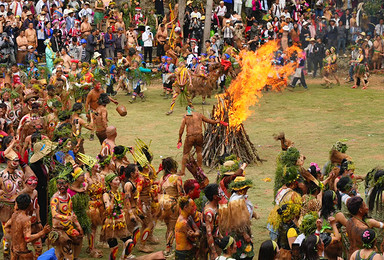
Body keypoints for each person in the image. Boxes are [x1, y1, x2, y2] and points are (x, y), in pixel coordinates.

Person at [4, 194, 51, 260]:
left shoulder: (14, 215)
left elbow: (6, 226)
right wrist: (43, 232)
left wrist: (16, 235)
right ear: (29, 205)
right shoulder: (26, 219)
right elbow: (28, 238)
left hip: (14, 252)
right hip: (23, 254)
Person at [102, 173, 137, 260]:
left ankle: (123, 258)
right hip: (111, 224)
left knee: (130, 243)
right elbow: (107, 207)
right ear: (110, 183)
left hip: (120, 223)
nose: (118, 182)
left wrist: (130, 213)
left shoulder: (118, 193)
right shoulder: (106, 195)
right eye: (116, 180)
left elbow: (126, 202)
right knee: (114, 250)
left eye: (118, 180)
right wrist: (110, 205)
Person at [178, 105, 220, 176]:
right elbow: (209, 121)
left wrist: (180, 138)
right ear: (193, 109)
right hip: (199, 136)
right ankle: (200, 169)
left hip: (190, 136)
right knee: (199, 152)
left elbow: (181, 128)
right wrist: (216, 121)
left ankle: (182, 171)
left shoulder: (186, 116)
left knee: (185, 154)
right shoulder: (199, 115)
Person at [157, 157, 184, 256]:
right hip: (172, 203)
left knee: (168, 227)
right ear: (173, 167)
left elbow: (159, 191)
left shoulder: (162, 178)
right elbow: (181, 193)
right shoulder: (176, 178)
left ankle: (169, 246)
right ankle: (168, 249)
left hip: (162, 204)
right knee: (172, 228)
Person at [202, 183, 221, 259]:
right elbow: (209, 233)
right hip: (212, 243)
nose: (222, 193)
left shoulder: (215, 205)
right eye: (220, 192)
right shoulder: (209, 213)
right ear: (215, 197)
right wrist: (213, 252)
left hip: (217, 239)